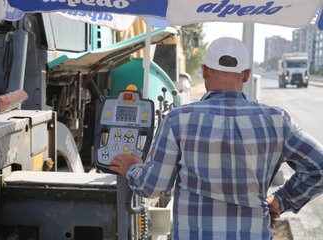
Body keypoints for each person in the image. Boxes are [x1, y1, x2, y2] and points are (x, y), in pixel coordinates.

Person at [110, 37, 323, 239]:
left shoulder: (178, 120)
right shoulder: (278, 121)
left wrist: (132, 167)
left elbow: (153, 186)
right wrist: (281, 200)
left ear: (204, 71)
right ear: (247, 75)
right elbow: (319, 167)